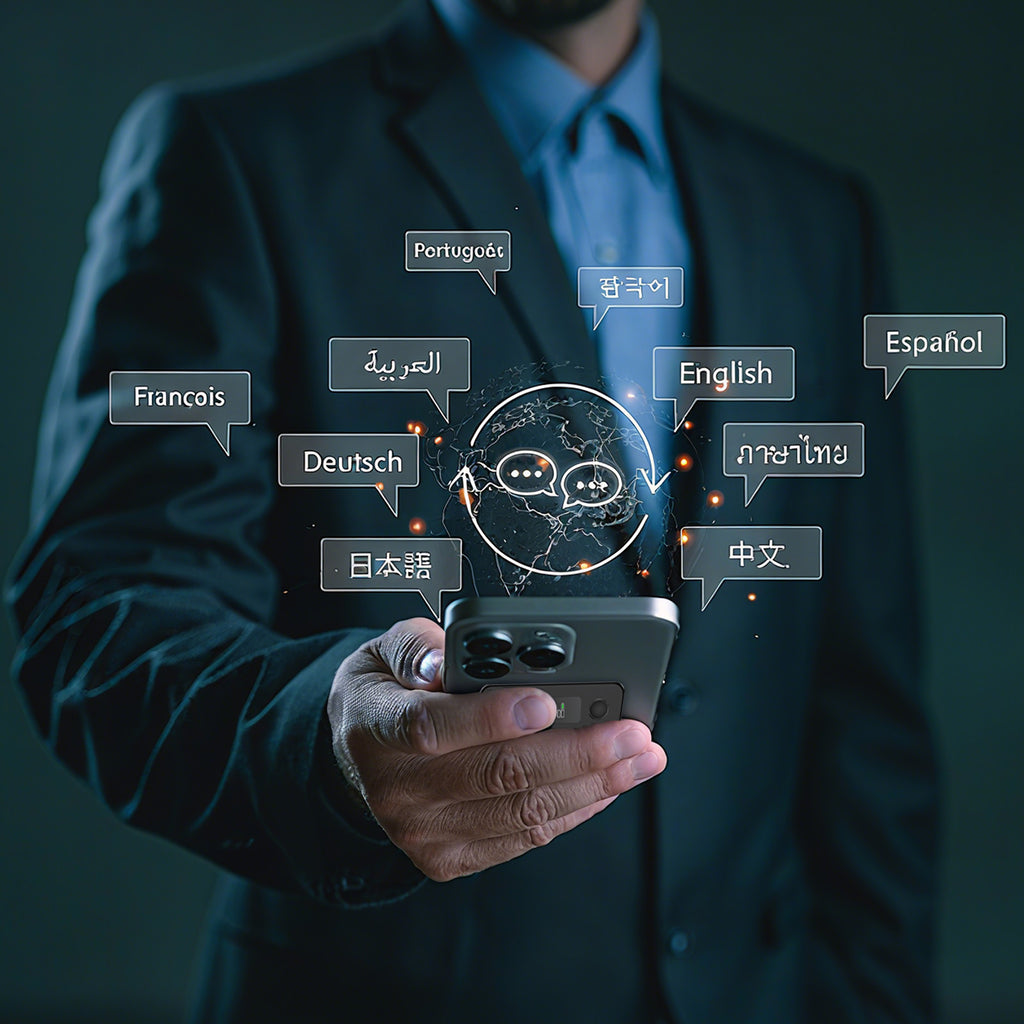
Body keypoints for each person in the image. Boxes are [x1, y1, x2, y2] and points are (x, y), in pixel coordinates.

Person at [6, 0, 939, 1021]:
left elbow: (864, 714)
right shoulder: (233, 154)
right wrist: (324, 741)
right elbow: (101, 605)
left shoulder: (816, 217)